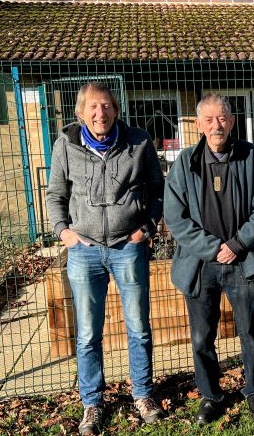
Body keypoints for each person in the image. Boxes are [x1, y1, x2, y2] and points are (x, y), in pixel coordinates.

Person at [46, 82, 165, 436]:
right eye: (93, 107)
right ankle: (92, 403)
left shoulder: (139, 142)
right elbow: (55, 194)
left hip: (128, 246)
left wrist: (147, 226)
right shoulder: (65, 145)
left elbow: (157, 188)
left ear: (116, 110)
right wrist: (64, 233)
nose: (101, 113)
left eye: (107, 106)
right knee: (87, 333)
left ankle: (142, 395)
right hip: (83, 251)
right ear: (81, 113)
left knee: (139, 327)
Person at [164, 93, 254, 424]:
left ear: (232, 121)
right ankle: (211, 395)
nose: (217, 125)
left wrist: (237, 244)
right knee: (201, 337)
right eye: (209, 119)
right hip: (200, 263)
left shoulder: (250, 156)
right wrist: (213, 248)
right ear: (198, 125)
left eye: (222, 118)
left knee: (251, 330)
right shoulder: (184, 163)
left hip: (243, 260)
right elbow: (176, 218)